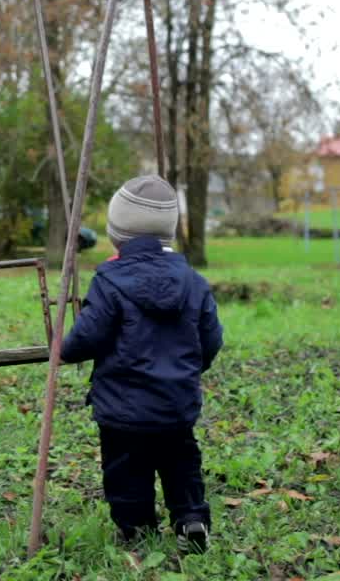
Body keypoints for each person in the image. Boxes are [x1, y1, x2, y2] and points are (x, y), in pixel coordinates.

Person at [60, 175, 224, 554]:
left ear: (118, 234)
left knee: (125, 472)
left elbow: (89, 335)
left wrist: (64, 350)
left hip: (123, 409)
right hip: (176, 404)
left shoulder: (110, 281)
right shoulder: (194, 282)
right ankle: (191, 519)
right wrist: (187, 371)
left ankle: (135, 529)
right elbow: (211, 339)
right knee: (181, 463)